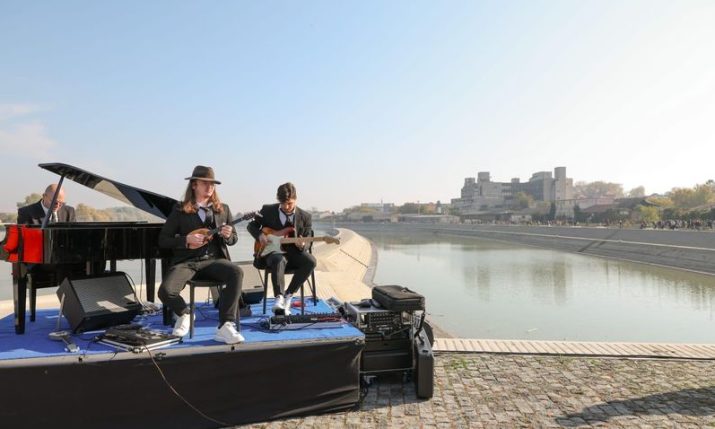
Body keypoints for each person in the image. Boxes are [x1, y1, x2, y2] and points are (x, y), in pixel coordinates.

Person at [157, 165, 244, 344]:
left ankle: (225, 326)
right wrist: (186, 240)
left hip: (213, 261)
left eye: (212, 184)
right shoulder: (180, 209)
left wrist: (228, 236)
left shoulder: (223, 209)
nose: (210, 187)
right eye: (205, 183)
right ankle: (185, 314)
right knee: (165, 291)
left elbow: (233, 238)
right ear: (194, 185)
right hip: (186, 262)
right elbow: (163, 240)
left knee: (236, 272)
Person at [247, 182, 316, 315]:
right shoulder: (267, 210)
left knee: (311, 262)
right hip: (271, 253)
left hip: (294, 253)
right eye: (282, 203)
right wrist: (260, 235)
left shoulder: (305, 217)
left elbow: (308, 240)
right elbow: (251, 226)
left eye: (289, 203)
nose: (286, 207)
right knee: (279, 259)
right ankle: (278, 298)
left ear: (296, 199)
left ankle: (288, 296)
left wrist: (303, 245)